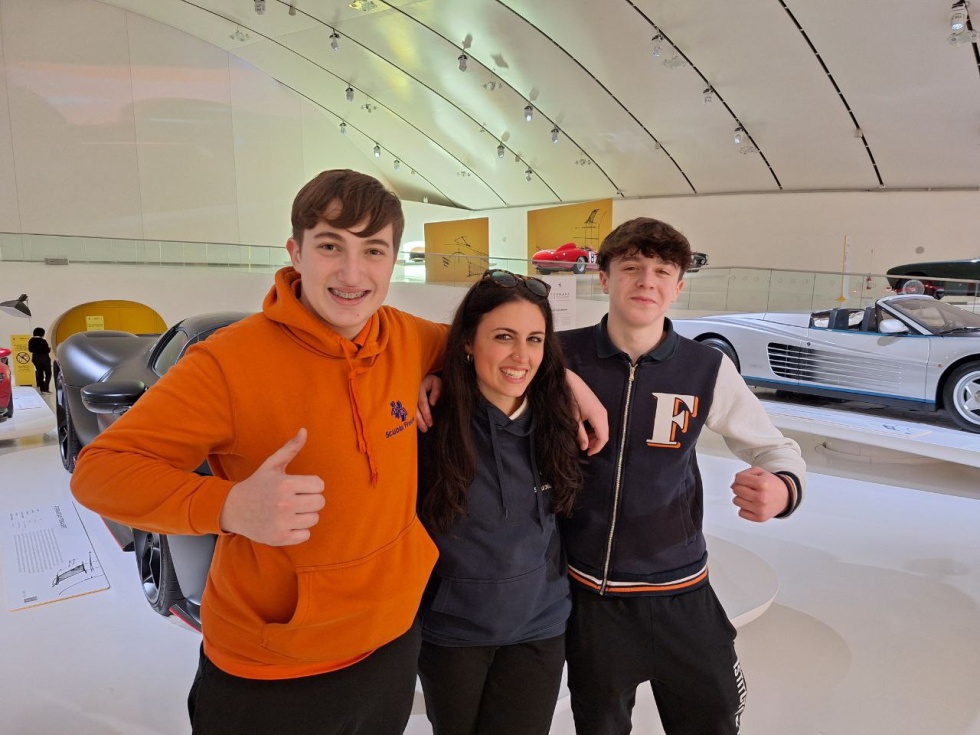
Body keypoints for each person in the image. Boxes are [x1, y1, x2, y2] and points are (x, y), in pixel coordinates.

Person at [70, 169, 607, 735]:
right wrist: (228, 506)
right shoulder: (228, 363)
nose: (353, 274)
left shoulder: (407, 338)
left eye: (373, 250)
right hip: (271, 666)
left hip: (389, 646)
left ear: (393, 260)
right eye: (331, 246)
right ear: (295, 253)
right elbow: (101, 472)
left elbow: (498, 348)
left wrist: (569, 384)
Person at [557, 217, 806, 735]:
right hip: (590, 594)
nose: (646, 281)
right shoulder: (558, 354)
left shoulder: (705, 368)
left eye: (662, 271)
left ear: (678, 287)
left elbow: (772, 447)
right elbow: (476, 349)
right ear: (603, 278)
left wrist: (783, 489)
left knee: (713, 720)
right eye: (631, 267)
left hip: (681, 589)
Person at [416, 269, 583, 735]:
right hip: (453, 632)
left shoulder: (560, 421)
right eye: (503, 337)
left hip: (539, 627)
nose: (521, 356)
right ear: (468, 342)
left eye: (534, 339)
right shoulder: (428, 423)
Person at [28, 327, 51, 393]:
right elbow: (46, 350)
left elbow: (30, 350)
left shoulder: (31, 340)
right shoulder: (43, 341)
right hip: (44, 358)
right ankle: (46, 388)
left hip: (35, 358)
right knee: (48, 373)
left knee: (40, 373)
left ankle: (42, 388)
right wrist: (49, 349)